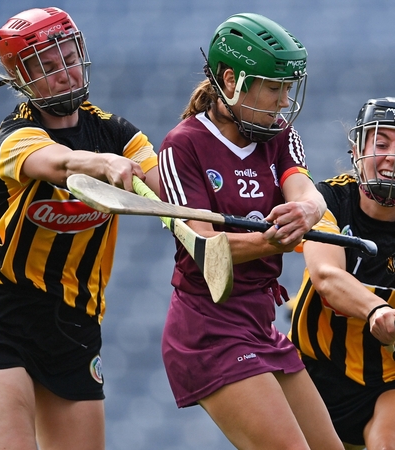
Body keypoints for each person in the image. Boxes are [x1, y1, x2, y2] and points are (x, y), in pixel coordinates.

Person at [0, 7, 160, 450]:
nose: (64, 73)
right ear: (19, 77)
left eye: (68, 56)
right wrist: (101, 163)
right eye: (46, 66)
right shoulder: (17, 134)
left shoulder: (117, 133)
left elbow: (164, 189)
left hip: (76, 326)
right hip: (5, 315)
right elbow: (57, 162)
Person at [156, 13, 342, 450]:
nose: (283, 101)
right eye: (273, 87)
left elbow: (306, 192)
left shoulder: (278, 134)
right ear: (231, 80)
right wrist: (271, 240)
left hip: (259, 322)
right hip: (209, 328)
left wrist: (307, 212)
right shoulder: (182, 145)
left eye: (288, 88)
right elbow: (204, 247)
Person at [288, 97, 395, 450]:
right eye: (381, 143)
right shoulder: (325, 200)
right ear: (357, 149)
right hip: (312, 372)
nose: (394, 156)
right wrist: (376, 310)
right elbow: (326, 276)